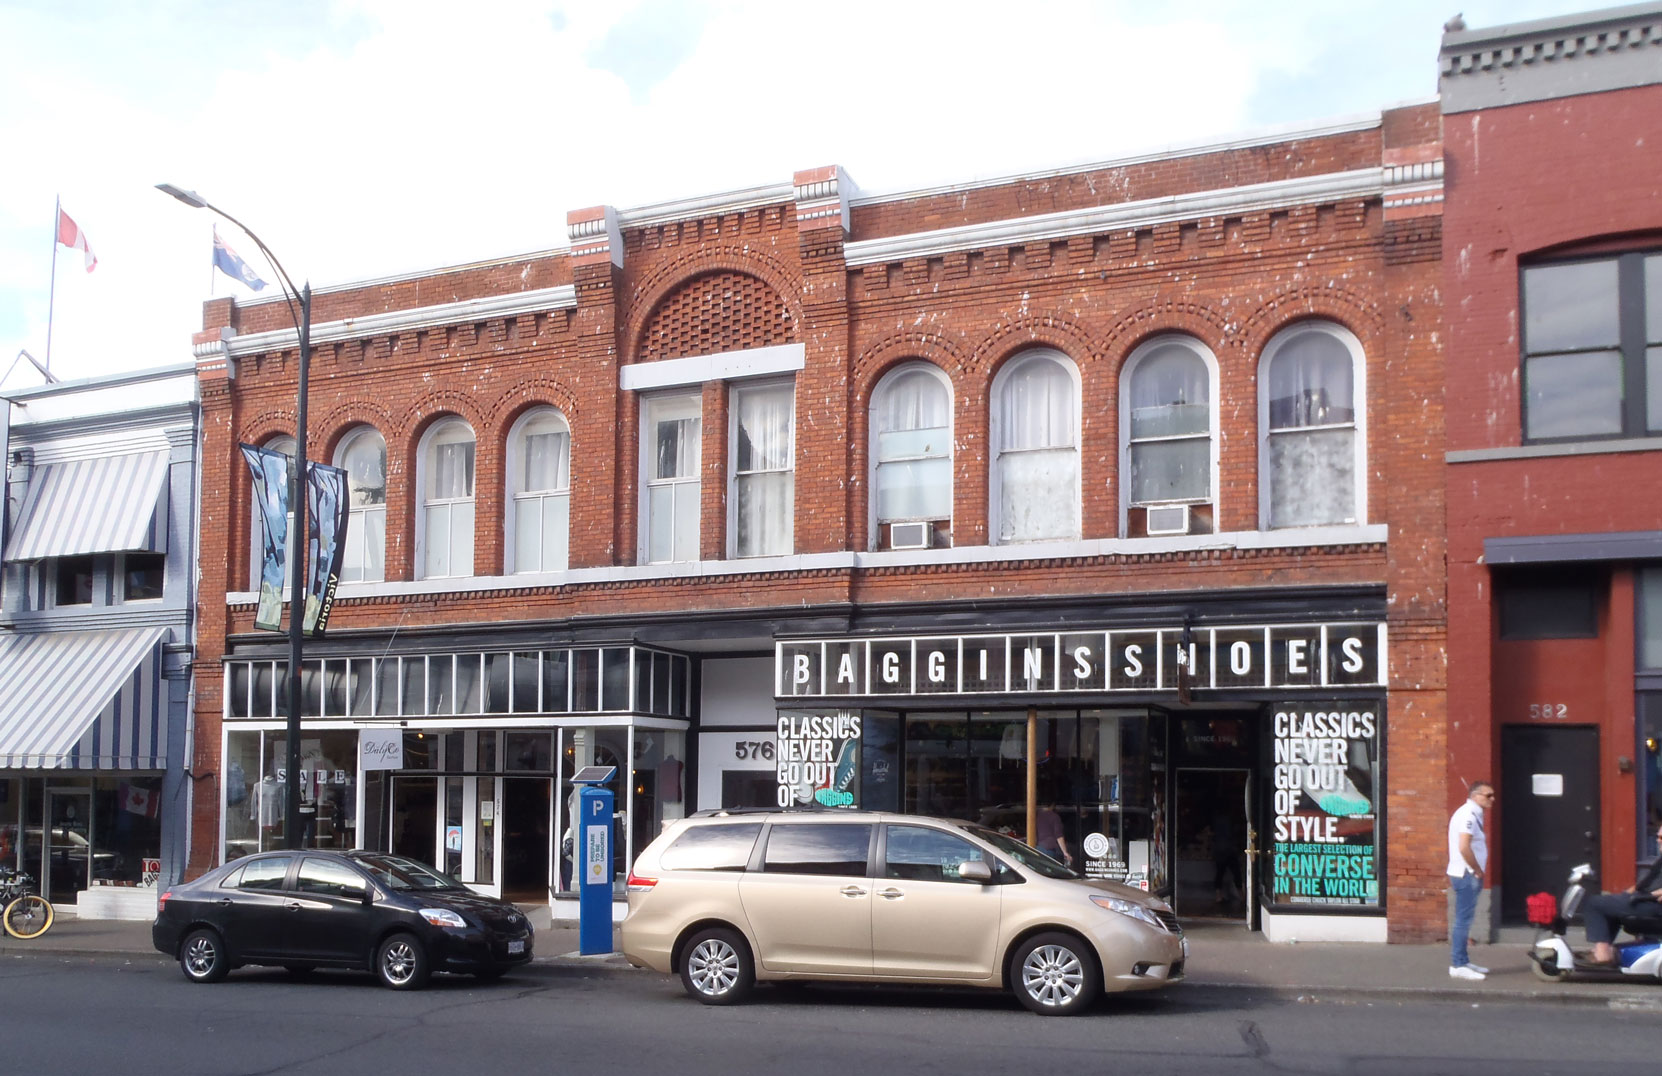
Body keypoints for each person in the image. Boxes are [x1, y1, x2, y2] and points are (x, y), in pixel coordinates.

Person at [1583, 823, 1662, 966]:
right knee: (1609, 904)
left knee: (1594, 903)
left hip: (1652, 904)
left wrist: (1651, 894)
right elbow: (1643, 883)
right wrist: (1624, 895)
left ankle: (1602, 954)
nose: (1658, 840)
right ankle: (1604, 948)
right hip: (1643, 899)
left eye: (1661, 838)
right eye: (1657, 837)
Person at [1447, 781, 1495, 980]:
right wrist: (1476, 869)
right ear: (1475, 795)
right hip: (1466, 874)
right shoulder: (1468, 814)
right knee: (1462, 921)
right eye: (1488, 795)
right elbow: (1464, 846)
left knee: (1464, 920)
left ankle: (1464, 961)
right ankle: (1458, 965)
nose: (1492, 799)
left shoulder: (1472, 813)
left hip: (1465, 873)